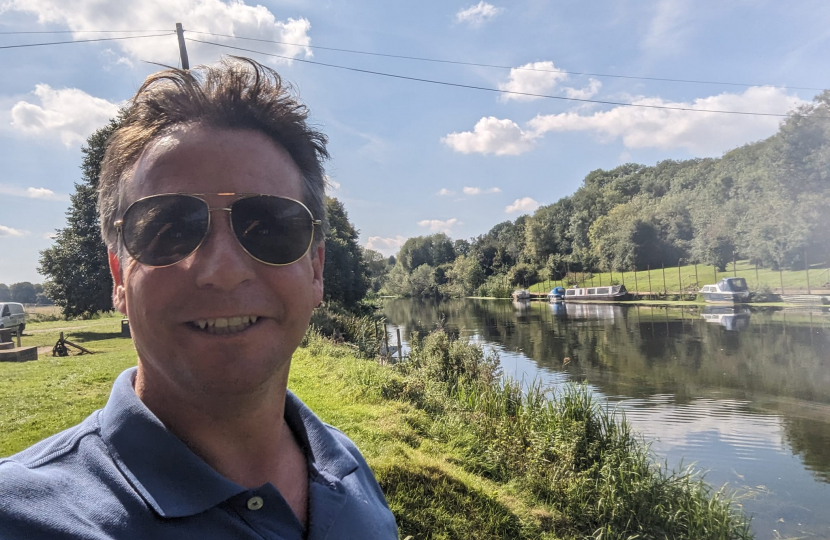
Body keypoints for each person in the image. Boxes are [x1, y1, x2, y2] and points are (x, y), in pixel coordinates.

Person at [0, 57, 398, 540]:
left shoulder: (348, 467)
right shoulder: (24, 518)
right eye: (169, 229)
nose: (223, 271)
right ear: (119, 276)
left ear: (315, 269)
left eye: (268, 227)